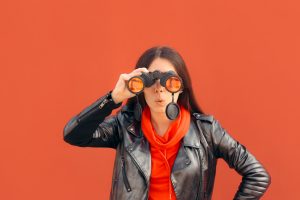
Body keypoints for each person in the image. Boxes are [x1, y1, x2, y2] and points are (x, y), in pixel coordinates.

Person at [63, 46, 271, 200]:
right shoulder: (125, 127)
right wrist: (114, 98)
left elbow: (258, 175)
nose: (159, 89)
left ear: (181, 88)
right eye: (151, 81)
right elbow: (73, 134)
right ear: (140, 88)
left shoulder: (206, 131)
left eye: (169, 81)